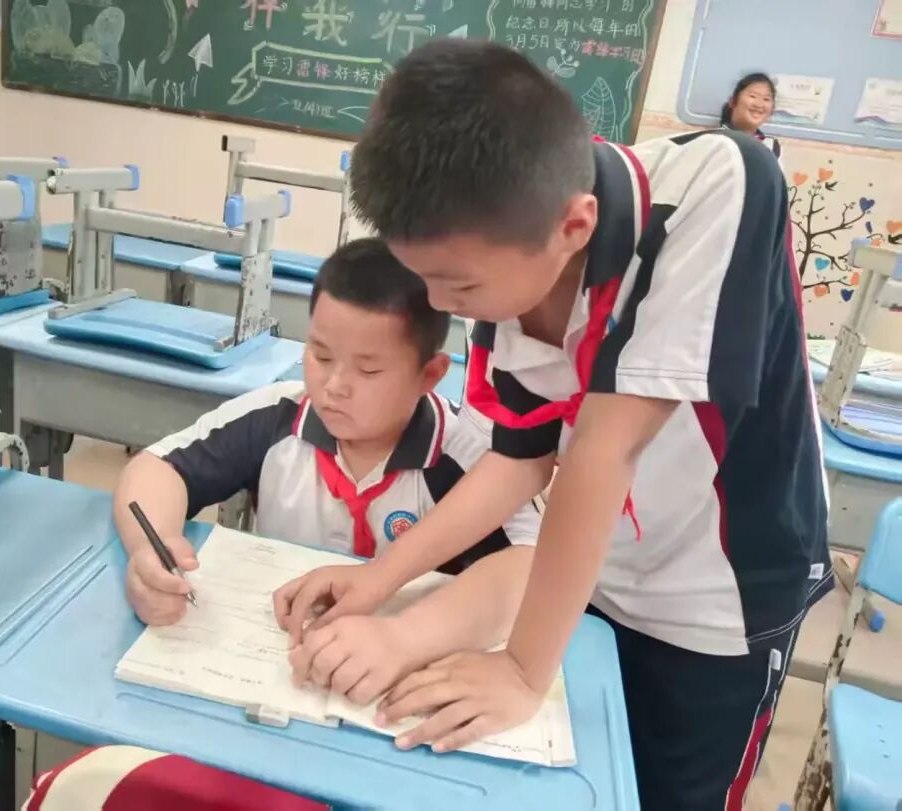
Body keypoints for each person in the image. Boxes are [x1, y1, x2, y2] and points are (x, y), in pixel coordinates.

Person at [276, 40, 830, 811]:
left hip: (718, 600)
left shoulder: (722, 181)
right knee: (574, 784)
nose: (438, 304)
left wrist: (522, 667)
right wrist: (379, 577)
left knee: (671, 794)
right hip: (588, 572)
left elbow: (607, 447)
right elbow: (519, 460)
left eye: (456, 284)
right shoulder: (503, 252)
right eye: (426, 277)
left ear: (574, 226)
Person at [115, 237, 540, 694]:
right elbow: (157, 468)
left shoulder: (470, 457)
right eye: (320, 355)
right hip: (274, 668)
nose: (334, 385)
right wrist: (149, 550)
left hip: (396, 682)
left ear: (430, 374)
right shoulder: (275, 418)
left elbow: (531, 566)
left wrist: (410, 636)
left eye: (368, 370)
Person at [721, 72, 781, 158]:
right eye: (752, 96)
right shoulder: (716, 138)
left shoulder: (771, 146)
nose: (759, 104)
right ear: (732, 101)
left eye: (766, 99)